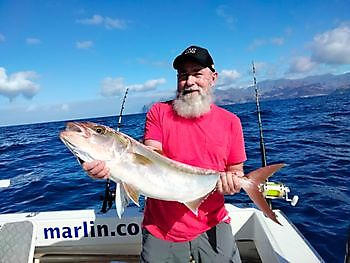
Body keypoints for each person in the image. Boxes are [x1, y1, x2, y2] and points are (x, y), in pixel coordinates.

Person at [83, 45, 247, 263]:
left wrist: (233, 184)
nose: (189, 82)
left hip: (212, 221)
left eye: (197, 74)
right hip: (161, 226)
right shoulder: (159, 112)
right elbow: (152, 153)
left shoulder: (231, 122)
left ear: (213, 78)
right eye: (183, 75)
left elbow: (236, 171)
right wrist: (109, 168)